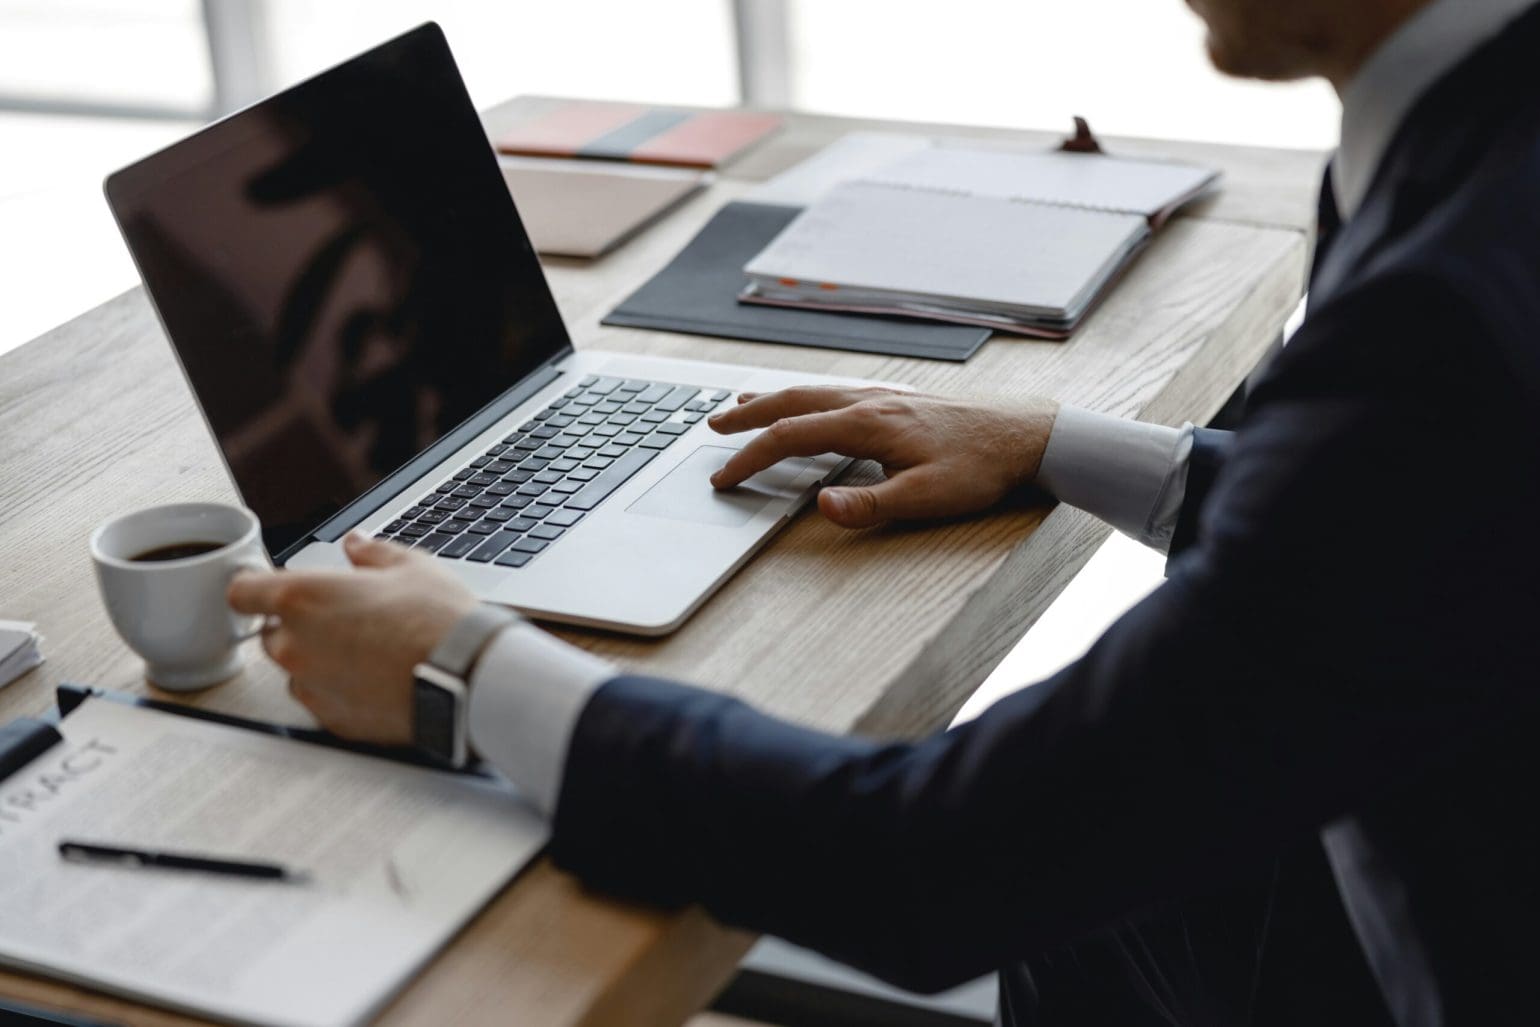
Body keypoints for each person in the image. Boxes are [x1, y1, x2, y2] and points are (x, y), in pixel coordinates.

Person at [229, 0, 1540, 1022]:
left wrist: (462, 663)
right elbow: (1395, 537)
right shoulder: (1466, 127)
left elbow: (936, 860)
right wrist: (1044, 440)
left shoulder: (1446, 311)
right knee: (1096, 915)